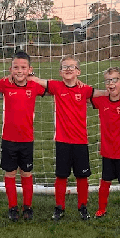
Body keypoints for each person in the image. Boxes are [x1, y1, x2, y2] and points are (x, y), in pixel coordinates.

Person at [31, 56, 95, 220]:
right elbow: (38, 81)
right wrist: (30, 74)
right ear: (60, 72)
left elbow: (101, 94)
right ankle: (59, 207)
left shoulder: (85, 89)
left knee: (82, 176)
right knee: (61, 175)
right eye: (64, 67)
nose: (68, 69)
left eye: (71, 67)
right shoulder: (56, 86)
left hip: (81, 141)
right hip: (62, 141)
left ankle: (83, 207)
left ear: (78, 72)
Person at [0, 52, 45, 221]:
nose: (19, 71)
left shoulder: (35, 86)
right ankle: (12, 207)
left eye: (23, 67)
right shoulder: (5, 84)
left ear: (30, 69)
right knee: (10, 173)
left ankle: (27, 206)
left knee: (27, 173)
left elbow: (52, 88)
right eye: (16, 67)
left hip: (27, 139)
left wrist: (35, 78)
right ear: (10, 69)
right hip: (8, 139)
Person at [90, 67, 120, 219]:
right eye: (108, 81)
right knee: (105, 180)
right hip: (107, 151)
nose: (110, 83)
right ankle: (101, 209)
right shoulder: (101, 101)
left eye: (115, 80)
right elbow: (83, 95)